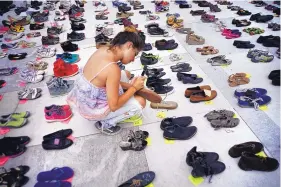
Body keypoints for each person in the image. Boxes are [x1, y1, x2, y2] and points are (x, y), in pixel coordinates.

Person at [67, 31, 146, 135]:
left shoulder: (103, 50)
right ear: (129, 45)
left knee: (126, 73)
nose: (133, 59)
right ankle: (106, 123)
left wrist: (131, 86)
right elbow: (114, 106)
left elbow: (103, 80)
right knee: (140, 102)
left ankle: (125, 95)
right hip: (92, 110)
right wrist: (134, 88)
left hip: (84, 101)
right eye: (135, 54)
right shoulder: (112, 69)